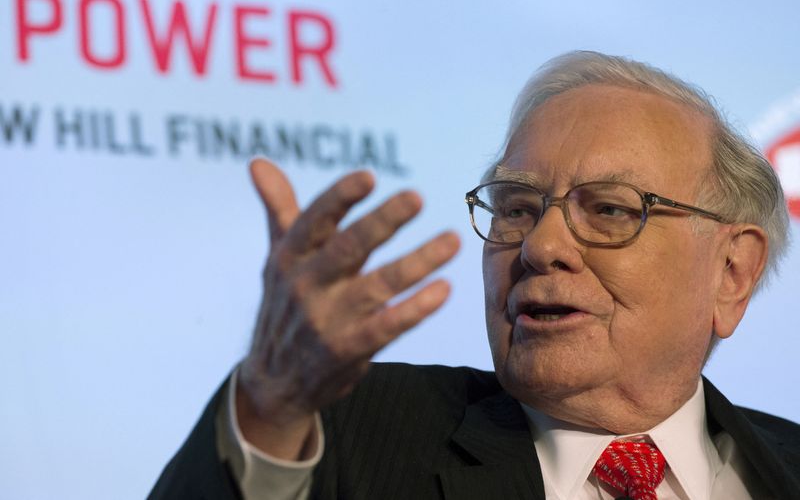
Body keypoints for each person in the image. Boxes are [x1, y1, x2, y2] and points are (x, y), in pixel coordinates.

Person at [150, 51, 800, 499]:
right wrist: (271, 408)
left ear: (731, 272)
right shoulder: (345, 431)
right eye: (517, 207)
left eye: (608, 210)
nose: (542, 245)